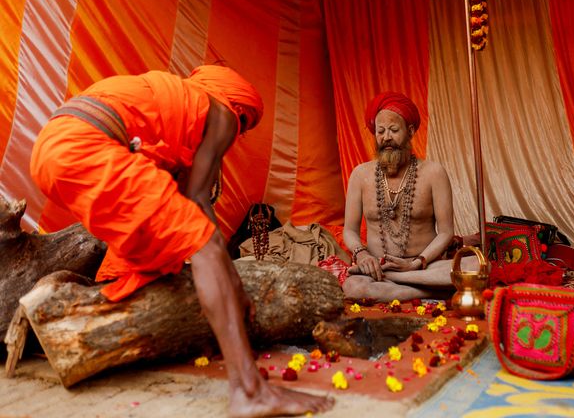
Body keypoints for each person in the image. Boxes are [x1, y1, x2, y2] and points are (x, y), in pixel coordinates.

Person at [29, 66, 333, 418]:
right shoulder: (222, 113)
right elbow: (200, 202)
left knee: (159, 249)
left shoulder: (176, 104)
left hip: (51, 151)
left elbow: (174, 198)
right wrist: (235, 286)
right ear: (241, 109)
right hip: (86, 144)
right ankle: (249, 391)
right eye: (245, 126)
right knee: (205, 243)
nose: (236, 137)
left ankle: (106, 313)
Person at [343, 92, 474, 302]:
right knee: (353, 287)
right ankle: (429, 293)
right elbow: (349, 230)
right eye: (380, 131)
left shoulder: (434, 172)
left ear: (410, 131)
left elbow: (446, 232)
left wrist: (417, 263)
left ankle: (407, 287)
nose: (386, 137)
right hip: (380, 270)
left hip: (425, 266)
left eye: (394, 130)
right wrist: (362, 254)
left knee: (473, 267)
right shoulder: (360, 175)